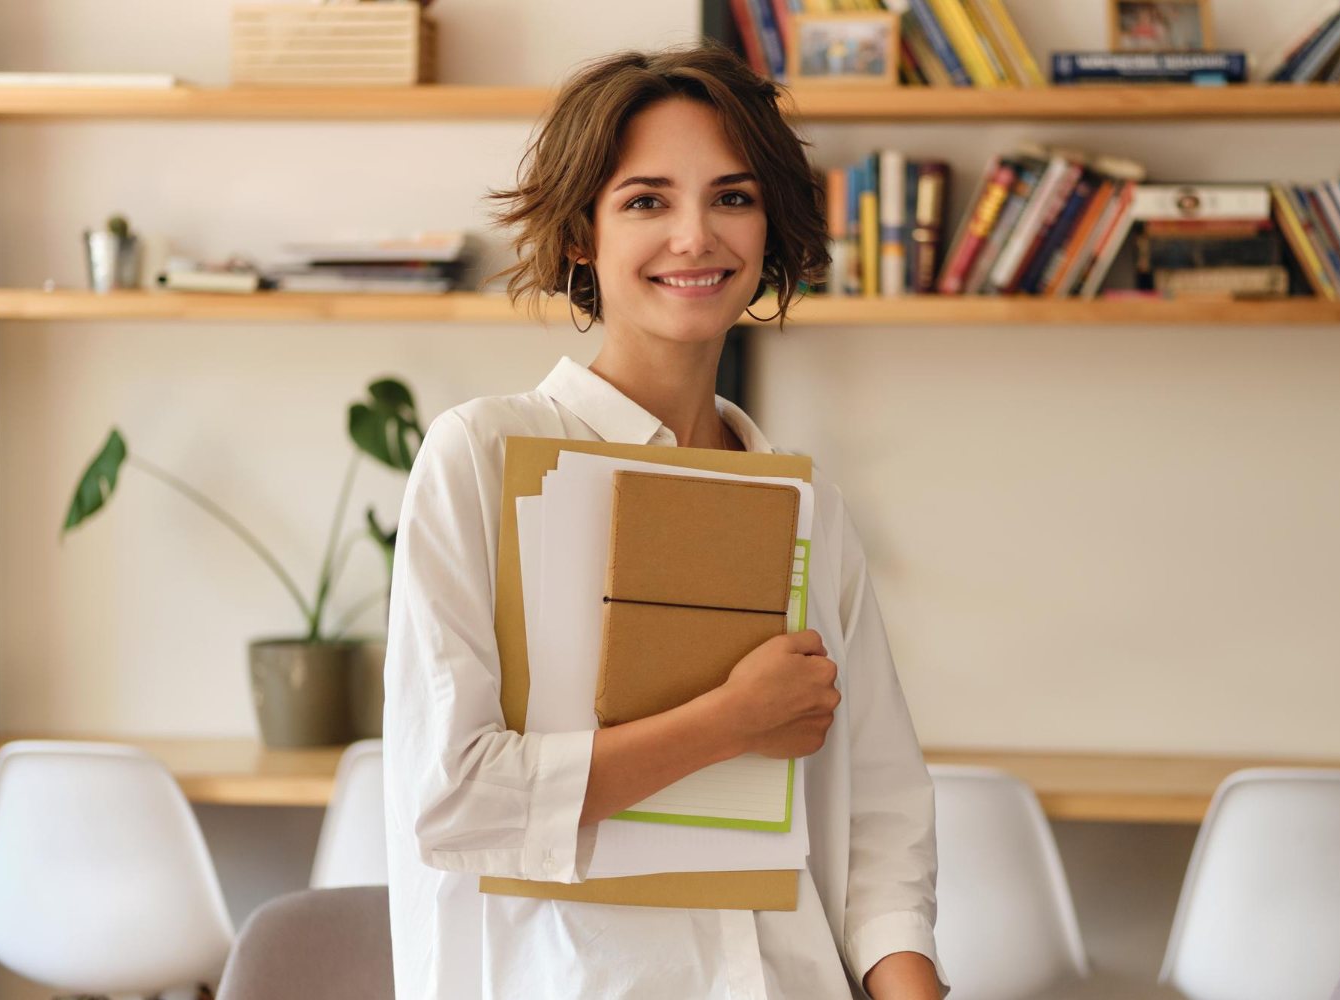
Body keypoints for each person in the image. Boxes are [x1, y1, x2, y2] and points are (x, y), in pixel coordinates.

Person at [383, 41, 947, 1000]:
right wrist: (732, 721)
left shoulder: (808, 507)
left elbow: (883, 826)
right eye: (647, 200)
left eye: (733, 197)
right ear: (579, 236)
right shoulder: (479, 457)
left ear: (770, 228)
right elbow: (455, 800)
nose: (696, 236)